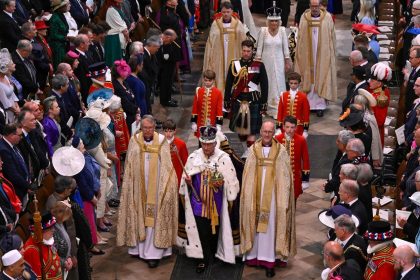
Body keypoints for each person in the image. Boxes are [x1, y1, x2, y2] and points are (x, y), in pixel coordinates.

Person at [116, 115, 178, 268]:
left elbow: (167, 166)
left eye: (150, 128)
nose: (148, 131)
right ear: (141, 128)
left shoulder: (162, 141)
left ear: (154, 127)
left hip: (156, 188)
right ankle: (139, 249)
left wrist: (168, 187)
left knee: (154, 218)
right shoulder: (134, 140)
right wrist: (129, 185)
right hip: (138, 188)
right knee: (139, 215)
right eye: (145, 128)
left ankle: (154, 254)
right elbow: (129, 165)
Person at [178, 125, 239, 273]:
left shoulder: (223, 159)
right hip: (198, 203)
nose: (206, 147)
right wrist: (188, 182)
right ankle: (203, 259)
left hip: (216, 205)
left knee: (214, 232)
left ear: (214, 143)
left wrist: (220, 183)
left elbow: (231, 183)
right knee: (202, 231)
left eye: (209, 144)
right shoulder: (194, 157)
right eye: (204, 144)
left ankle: (214, 253)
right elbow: (186, 178)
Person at [240, 119, 295, 277]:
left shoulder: (281, 151)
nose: (267, 134)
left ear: (274, 133)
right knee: (254, 222)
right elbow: (247, 174)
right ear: (261, 131)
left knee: (271, 227)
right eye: (264, 131)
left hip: (273, 198)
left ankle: (269, 260)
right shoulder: (253, 150)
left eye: (270, 132)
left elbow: (285, 176)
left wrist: (282, 197)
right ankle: (252, 255)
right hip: (255, 196)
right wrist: (249, 193)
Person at [295, 0, 337, 117]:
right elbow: (300, 36)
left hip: (322, 54)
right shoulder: (304, 17)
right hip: (307, 54)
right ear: (309, 6)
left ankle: (320, 106)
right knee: (308, 76)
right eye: (312, 6)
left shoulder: (327, 17)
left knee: (321, 76)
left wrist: (332, 52)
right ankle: (307, 104)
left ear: (320, 6)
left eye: (316, 6)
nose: (314, 9)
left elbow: (332, 36)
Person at [224, 39, 268, 149]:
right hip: (238, 99)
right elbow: (228, 83)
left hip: (253, 99)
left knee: (252, 132)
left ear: (253, 51)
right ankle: (244, 153)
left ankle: (249, 155)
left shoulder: (258, 65)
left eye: (248, 51)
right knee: (241, 133)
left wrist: (263, 102)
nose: (246, 53)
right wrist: (227, 99)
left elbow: (264, 85)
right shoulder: (235, 64)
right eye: (244, 50)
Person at [256, 3, 292, 118]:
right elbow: (259, 49)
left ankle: (278, 108)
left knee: (278, 83)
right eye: (272, 21)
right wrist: (257, 64)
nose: (274, 23)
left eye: (276, 21)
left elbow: (286, 48)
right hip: (265, 63)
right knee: (266, 83)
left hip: (279, 62)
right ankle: (264, 107)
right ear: (268, 21)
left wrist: (287, 61)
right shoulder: (263, 31)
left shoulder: (282, 31)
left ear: (279, 21)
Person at [203, 1, 247, 94]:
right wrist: (210, 56)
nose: (226, 14)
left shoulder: (237, 24)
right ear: (220, 12)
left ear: (232, 12)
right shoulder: (216, 24)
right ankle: (219, 94)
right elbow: (211, 42)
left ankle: (233, 94)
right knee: (219, 74)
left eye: (228, 12)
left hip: (235, 56)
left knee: (235, 73)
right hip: (219, 57)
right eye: (224, 12)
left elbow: (243, 40)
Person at [275, 116, 310, 200]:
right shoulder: (277, 139)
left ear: (296, 128)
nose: (289, 130)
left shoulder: (301, 140)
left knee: (293, 200)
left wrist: (305, 180)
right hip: (279, 176)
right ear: (283, 127)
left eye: (292, 127)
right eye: (287, 127)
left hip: (295, 177)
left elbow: (306, 159)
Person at [23, 213, 63, 279]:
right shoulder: (31, 250)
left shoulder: (46, 243)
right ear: (41, 232)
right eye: (51, 229)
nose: (53, 230)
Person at [191, 70, 223, 140]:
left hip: (212, 123)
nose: (207, 82)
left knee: (211, 142)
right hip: (200, 123)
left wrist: (218, 125)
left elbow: (219, 109)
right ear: (203, 80)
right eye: (205, 80)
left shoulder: (218, 93)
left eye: (209, 80)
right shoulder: (198, 91)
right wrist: (194, 122)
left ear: (213, 80)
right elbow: (195, 108)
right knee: (200, 142)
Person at [276, 72, 310, 136]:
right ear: (288, 83)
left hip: (298, 126)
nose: (293, 85)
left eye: (295, 83)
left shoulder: (303, 96)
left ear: (299, 84)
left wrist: (305, 130)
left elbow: (306, 112)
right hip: (285, 126)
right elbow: (280, 112)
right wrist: (278, 128)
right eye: (291, 83)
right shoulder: (283, 95)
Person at [367, 62, 392, 145]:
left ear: (379, 83)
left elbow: (380, 121)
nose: (369, 81)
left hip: (374, 131)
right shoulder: (376, 90)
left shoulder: (382, 96)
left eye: (372, 80)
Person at [112, 59, 139, 130]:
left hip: (131, 115)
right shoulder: (116, 86)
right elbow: (125, 103)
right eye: (125, 71)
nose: (127, 72)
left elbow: (132, 96)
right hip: (125, 117)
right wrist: (136, 109)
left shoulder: (124, 83)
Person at [156, 29, 181, 107]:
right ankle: (165, 101)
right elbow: (165, 56)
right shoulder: (160, 42)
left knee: (169, 83)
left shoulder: (168, 42)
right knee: (164, 84)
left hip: (169, 66)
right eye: (172, 39)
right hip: (163, 67)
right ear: (167, 37)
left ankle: (168, 98)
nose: (173, 41)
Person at [162, 119, 188, 186]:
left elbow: (185, 162)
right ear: (163, 131)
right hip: (163, 175)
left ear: (175, 131)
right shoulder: (160, 143)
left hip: (177, 175)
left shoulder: (181, 144)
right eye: (166, 131)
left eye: (170, 131)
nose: (168, 134)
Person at [104, 0, 130, 66]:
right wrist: (128, 38)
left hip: (117, 38)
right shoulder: (112, 10)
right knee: (115, 64)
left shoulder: (117, 8)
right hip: (114, 40)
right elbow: (124, 29)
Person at [0, 48, 20, 124]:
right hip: (8, 111)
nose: (14, 65)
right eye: (11, 64)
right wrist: (16, 110)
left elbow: (13, 95)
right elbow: (4, 101)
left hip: (14, 109)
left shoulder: (5, 77)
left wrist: (17, 106)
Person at [49, 0, 70, 70]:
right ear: (60, 7)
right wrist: (65, 38)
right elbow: (53, 35)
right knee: (59, 65)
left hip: (63, 44)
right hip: (57, 47)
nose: (67, 6)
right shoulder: (54, 19)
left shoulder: (61, 15)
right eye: (65, 5)